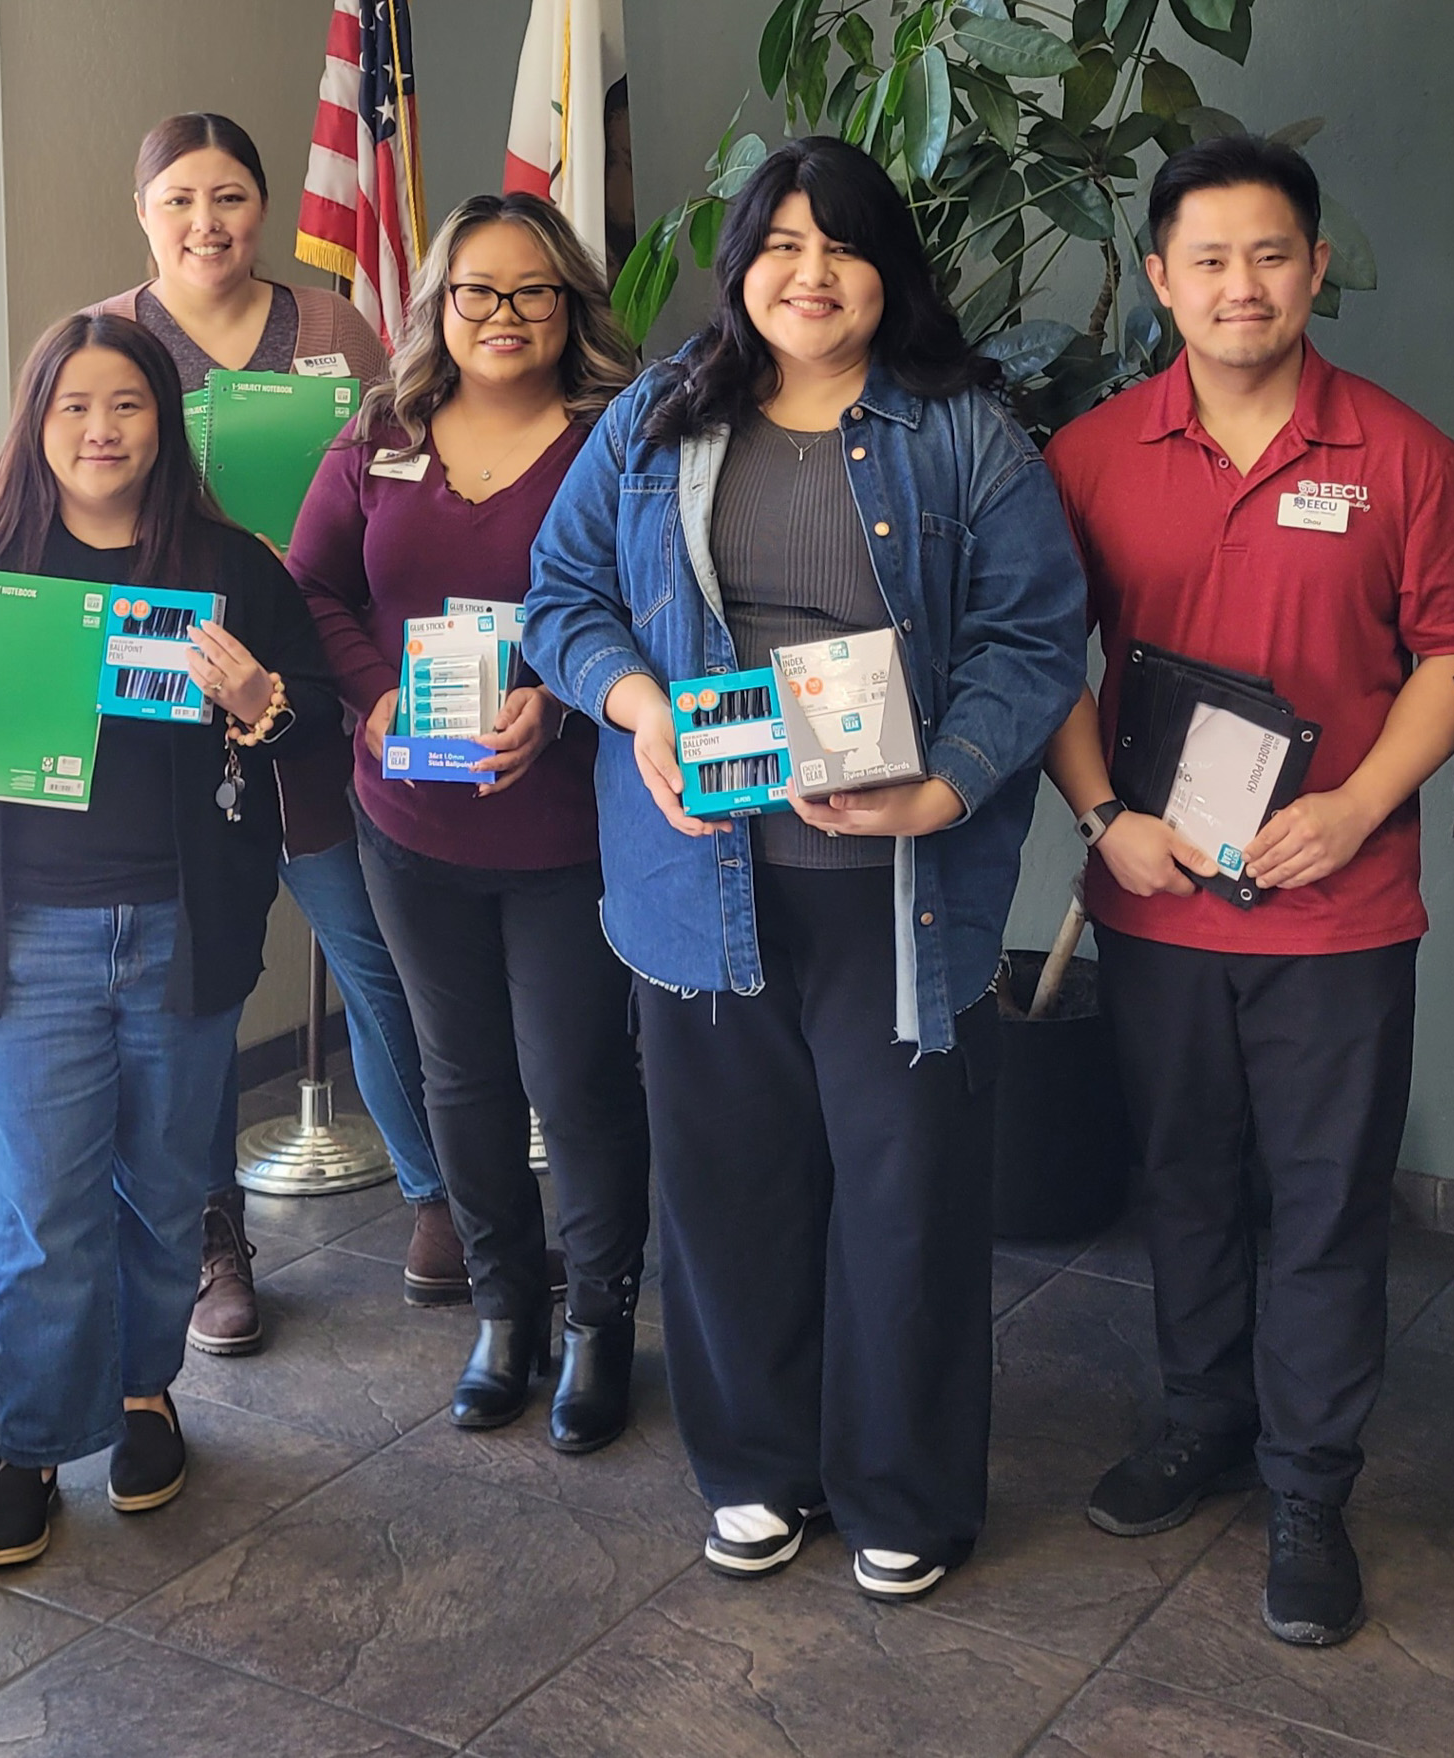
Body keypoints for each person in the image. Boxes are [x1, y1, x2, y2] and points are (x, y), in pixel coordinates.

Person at [526, 136, 1085, 1600]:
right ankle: (759, 1471)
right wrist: (638, 706)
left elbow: (1036, 638)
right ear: (741, 270)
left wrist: (947, 782)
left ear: (886, 267)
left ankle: (901, 1488)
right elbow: (560, 595)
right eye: (779, 242)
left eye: (839, 244)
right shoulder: (655, 418)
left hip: (898, 882)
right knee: (726, 1188)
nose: (809, 271)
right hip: (700, 873)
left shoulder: (963, 433)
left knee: (904, 1194)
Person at [1041, 135, 1454, 1646]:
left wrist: (1362, 803)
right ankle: (1202, 1419)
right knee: (1182, 1182)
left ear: (1315, 270)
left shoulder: (1402, 456)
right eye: (1211, 259)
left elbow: (1453, 661)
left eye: (1273, 255)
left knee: (1321, 1205)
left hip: (1335, 911)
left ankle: (1309, 1485)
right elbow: (1049, 663)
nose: (1244, 285)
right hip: (1158, 897)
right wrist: (1106, 817)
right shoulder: (1093, 453)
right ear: (1163, 278)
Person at [0, 313, 336, 1566]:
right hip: (28, 939)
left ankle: (142, 1392)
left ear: (162, 422)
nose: (99, 429)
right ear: (37, 423)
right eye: (73, 405)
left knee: (165, 1190)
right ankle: (32, 1438)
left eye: (125, 404)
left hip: (186, 928)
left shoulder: (232, 570)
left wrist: (262, 704)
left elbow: (315, 727)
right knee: (40, 1206)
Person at [91, 111, 456, 1348]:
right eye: (182, 197)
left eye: (232, 195)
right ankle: (213, 1241)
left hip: (312, 695)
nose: (209, 222)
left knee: (376, 951)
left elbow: (401, 484)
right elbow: (61, 503)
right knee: (195, 991)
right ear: (144, 213)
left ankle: (436, 1198)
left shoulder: (337, 331)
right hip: (166, 713)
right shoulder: (102, 342)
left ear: (265, 206)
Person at [292, 192, 651, 1450]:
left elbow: (657, 608)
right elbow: (314, 589)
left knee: (577, 1078)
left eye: (532, 292)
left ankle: (599, 1322)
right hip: (407, 822)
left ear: (570, 307)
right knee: (462, 1077)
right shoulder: (380, 434)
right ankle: (506, 1313)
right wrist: (372, 699)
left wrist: (559, 697)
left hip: (566, 832)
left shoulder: (618, 438)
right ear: (438, 304)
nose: (502, 316)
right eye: (476, 291)